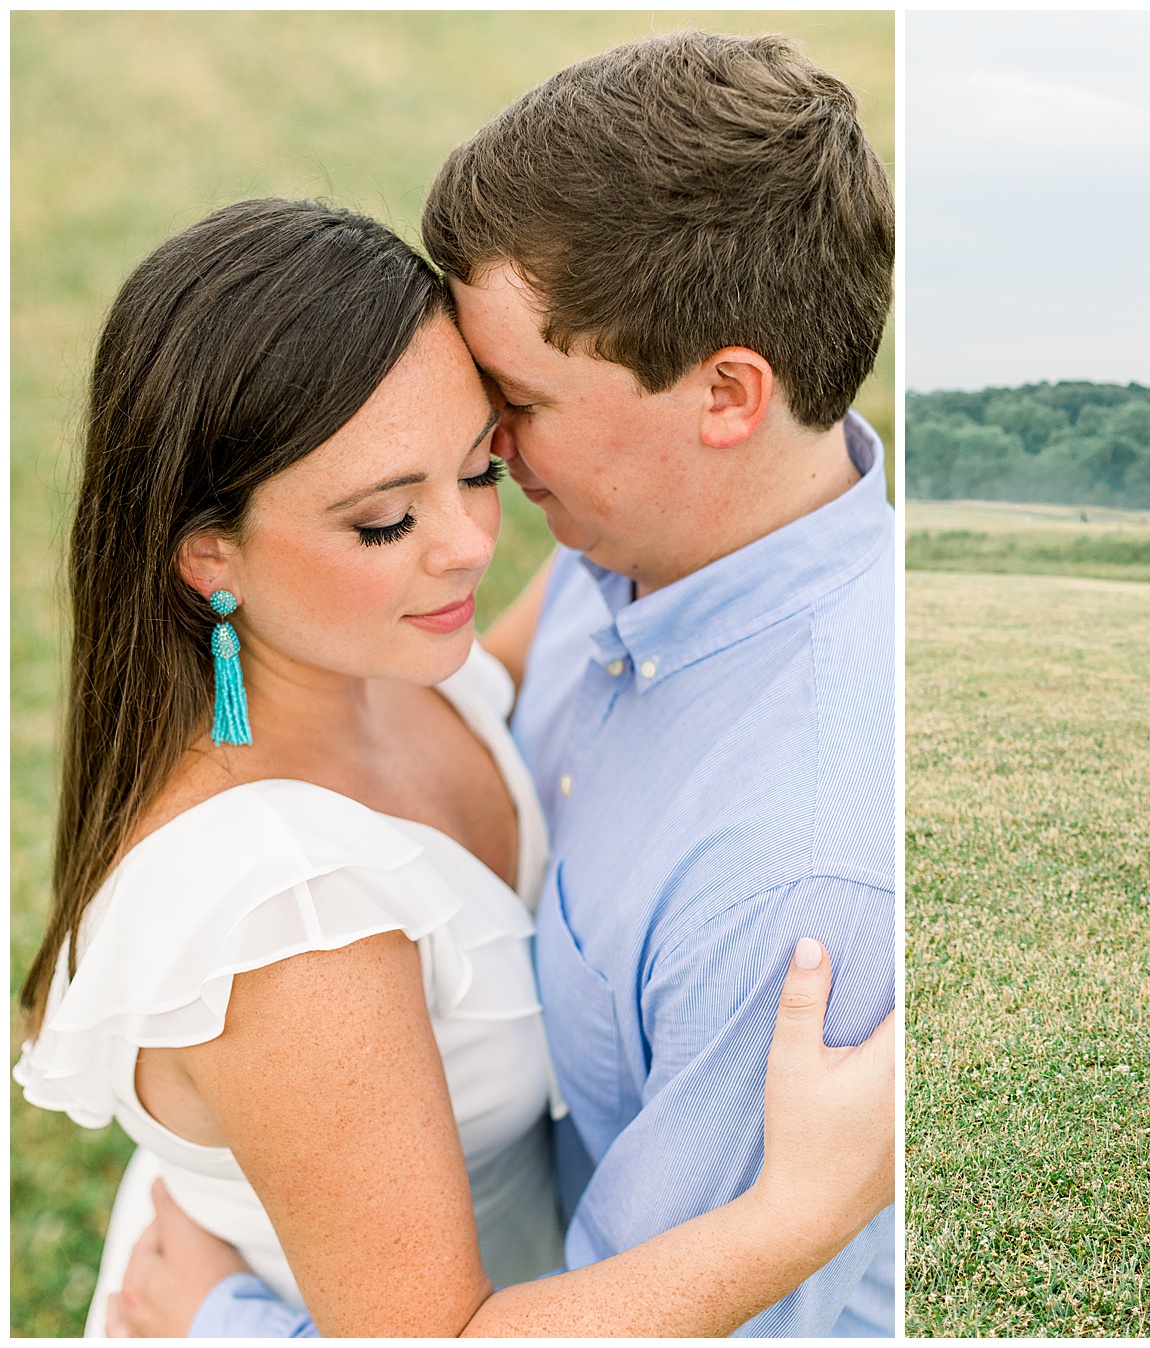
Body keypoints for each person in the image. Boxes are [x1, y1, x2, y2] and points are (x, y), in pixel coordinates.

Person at [114, 30, 898, 1336]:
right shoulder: (639, 547)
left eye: (515, 401)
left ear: (726, 396)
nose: (482, 477)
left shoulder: (794, 885)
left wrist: (225, 1322)